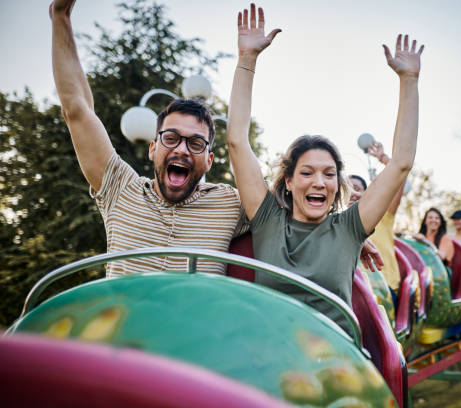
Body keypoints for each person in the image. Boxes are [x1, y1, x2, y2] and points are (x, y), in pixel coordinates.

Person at [226, 4, 423, 334]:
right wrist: (247, 60)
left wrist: (410, 81)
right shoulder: (267, 220)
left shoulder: (348, 228)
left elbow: (401, 162)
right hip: (274, 354)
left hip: (332, 362)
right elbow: (236, 141)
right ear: (288, 181)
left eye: (329, 174)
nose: (319, 182)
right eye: (306, 173)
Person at [49, 0, 248, 276]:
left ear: (209, 160)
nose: (182, 150)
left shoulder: (230, 204)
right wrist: (61, 18)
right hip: (126, 318)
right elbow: (77, 110)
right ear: (152, 148)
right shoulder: (121, 190)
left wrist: (247, 62)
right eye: (171, 138)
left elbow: (291, 210)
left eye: (195, 143)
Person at [349, 141, 406, 304]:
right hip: (353, 292)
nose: (352, 193)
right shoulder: (338, 223)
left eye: (356, 188)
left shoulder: (382, 215)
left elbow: (399, 180)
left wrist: (384, 159)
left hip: (383, 289)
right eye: (346, 188)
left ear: (367, 193)